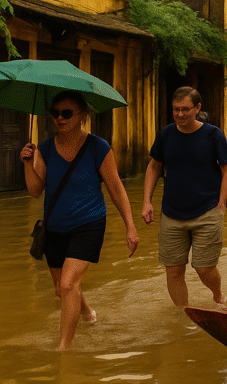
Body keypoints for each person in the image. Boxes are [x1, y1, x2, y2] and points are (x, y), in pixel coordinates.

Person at [20, 90, 140, 351]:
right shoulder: (46, 149)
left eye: (66, 113)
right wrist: (28, 164)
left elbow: (116, 188)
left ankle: (64, 349)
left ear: (82, 115)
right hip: (54, 226)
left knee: (67, 283)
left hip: (89, 223)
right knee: (60, 288)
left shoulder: (98, 147)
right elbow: (35, 191)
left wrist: (130, 226)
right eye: (55, 113)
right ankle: (86, 312)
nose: (60, 118)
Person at [142, 86, 227, 306]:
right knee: (173, 271)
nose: (180, 114)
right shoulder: (166, 134)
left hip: (207, 210)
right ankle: (183, 316)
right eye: (176, 110)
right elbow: (154, 166)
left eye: (185, 109)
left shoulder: (213, 135)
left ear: (197, 108)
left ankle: (217, 295)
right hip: (172, 213)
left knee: (204, 268)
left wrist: (221, 203)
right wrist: (146, 201)